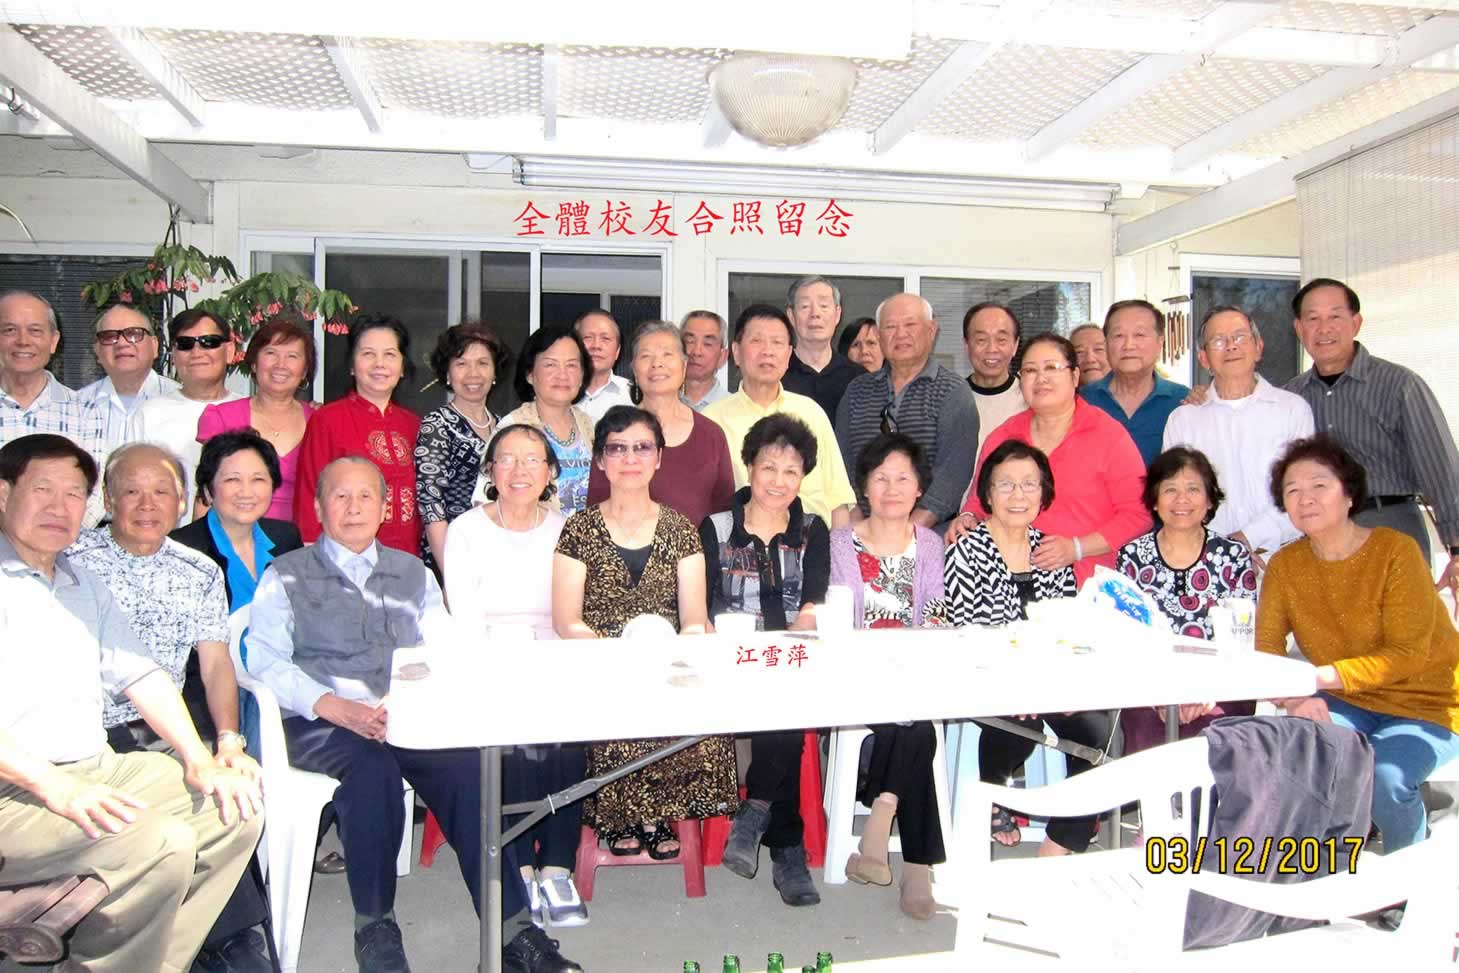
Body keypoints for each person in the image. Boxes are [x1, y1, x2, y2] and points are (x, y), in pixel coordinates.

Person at [249, 455, 582, 973]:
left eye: (366, 496)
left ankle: (515, 931)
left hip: (399, 714)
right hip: (318, 721)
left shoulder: (411, 572)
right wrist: (332, 705)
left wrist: (403, 699)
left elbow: (441, 646)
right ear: (317, 507)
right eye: (340, 496)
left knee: (472, 769)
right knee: (373, 770)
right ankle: (375, 927)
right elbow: (264, 661)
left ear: (385, 508)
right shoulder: (286, 574)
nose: (353, 507)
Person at [0, 433, 262, 973]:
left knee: (235, 807)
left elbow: (141, 673)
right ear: (4, 494)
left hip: (92, 766)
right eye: (43, 490)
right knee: (162, 842)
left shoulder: (79, 582)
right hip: (16, 791)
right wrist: (53, 785)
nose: (59, 507)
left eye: (73, 494)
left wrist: (201, 759)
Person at [68, 442, 274, 972]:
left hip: (165, 727)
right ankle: (210, 941)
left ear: (182, 501)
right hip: (89, 731)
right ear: (107, 500)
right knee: (176, 813)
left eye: (161, 491)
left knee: (230, 794)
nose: (147, 504)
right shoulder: (73, 562)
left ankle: (232, 938)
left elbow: (216, 664)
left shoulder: (198, 569)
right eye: (131, 491)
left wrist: (229, 740)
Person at [1258, 435, 1459, 853]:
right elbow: (1267, 651)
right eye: (1292, 490)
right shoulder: (1285, 565)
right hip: (1349, 702)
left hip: (1428, 703)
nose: (1305, 498)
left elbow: (1407, 655)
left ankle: (1410, 876)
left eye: (1319, 485)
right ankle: (1320, 871)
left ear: (1349, 494)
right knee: (1297, 759)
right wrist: (1295, 698)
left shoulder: (1396, 551)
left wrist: (1318, 678)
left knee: (1385, 778)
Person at [552, 406, 737, 859]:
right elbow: (566, 620)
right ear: (600, 460)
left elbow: (694, 619)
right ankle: (627, 815)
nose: (630, 458)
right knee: (614, 705)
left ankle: (652, 814)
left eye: (641, 447)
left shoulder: (681, 529)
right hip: (599, 661)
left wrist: (671, 660)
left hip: (666, 661)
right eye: (617, 448)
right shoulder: (578, 529)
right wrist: (616, 659)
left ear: (658, 458)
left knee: (696, 710)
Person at [445, 424, 588, 928]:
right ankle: (520, 866)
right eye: (507, 459)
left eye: (532, 460)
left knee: (571, 733)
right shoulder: (466, 530)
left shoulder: (568, 529)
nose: (519, 470)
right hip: (490, 665)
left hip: (554, 662)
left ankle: (557, 867)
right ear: (491, 471)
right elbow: (464, 620)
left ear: (551, 472)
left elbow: (575, 613)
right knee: (515, 733)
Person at [944, 439, 1113, 855]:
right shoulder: (965, 550)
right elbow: (969, 636)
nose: (1018, 495)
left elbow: (1063, 630)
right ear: (987, 494)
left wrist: (1055, 681)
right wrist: (1017, 682)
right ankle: (993, 790)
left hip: (1046, 678)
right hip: (986, 676)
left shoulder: (1050, 550)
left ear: (1043, 493)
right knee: (1022, 725)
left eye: (1029, 485)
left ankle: (1060, 839)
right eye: (1006, 484)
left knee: (1098, 730)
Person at [702, 414, 829, 908]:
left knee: (786, 700)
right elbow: (703, 609)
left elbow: (813, 605)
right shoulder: (716, 529)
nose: (778, 481)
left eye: (791, 471)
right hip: (731, 661)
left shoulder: (812, 530)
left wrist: (795, 646)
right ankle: (788, 851)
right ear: (750, 467)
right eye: (769, 467)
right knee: (786, 713)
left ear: (803, 477)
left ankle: (754, 809)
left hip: (793, 659)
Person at [827, 432, 948, 919]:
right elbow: (839, 618)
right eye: (881, 478)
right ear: (864, 487)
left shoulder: (930, 544)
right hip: (856, 674)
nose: (892, 489)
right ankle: (918, 870)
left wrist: (910, 662)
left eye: (903, 478)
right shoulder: (840, 543)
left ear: (919, 488)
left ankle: (879, 828)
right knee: (917, 729)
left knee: (914, 723)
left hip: (914, 673)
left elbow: (936, 615)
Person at [1284, 278, 1459, 593]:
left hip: (1390, 524)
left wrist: (1456, 548)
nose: (1324, 328)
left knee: (1401, 621)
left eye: (1335, 316)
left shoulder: (1399, 385)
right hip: (1319, 538)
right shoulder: (1291, 397)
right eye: (1313, 318)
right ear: (1299, 328)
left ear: (1356, 323)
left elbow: (1442, 472)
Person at [956, 333, 1151, 586]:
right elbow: (978, 502)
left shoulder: (1108, 436)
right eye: (1030, 370)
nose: (1041, 378)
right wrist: (967, 518)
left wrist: (1077, 548)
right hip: (1006, 585)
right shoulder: (1003, 437)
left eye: (1051, 367)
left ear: (1075, 376)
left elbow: (1138, 515)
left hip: (1087, 587)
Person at [1117, 447, 1258, 754]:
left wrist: (1206, 691)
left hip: (1222, 686)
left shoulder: (1232, 555)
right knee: (1147, 735)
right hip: (1149, 689)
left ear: (1209, 500)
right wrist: (1162, 697)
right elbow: (1127, 640)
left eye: (1193, 489)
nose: (1181, 499)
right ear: (1155, 500)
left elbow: (1242, 641)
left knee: (1209, 735)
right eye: (1170, 490)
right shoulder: (1132, 557)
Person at [172, 430, 304, 750]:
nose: (247, 491)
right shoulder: (182, 549)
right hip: (214, 692)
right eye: (232, 480)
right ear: (208, 489)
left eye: (258, 479)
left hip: (283, 679)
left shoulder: (285, 538)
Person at [1163, 306, 1314, 568]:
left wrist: (1246, 540)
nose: (1231, 346)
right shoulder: (1183, 419)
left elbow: (1305, 492)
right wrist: (1222, 550)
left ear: (1258, 347)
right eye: (1218, 340)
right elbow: (1175, 498)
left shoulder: (1292, 410)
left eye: (1240, 336)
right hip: (1206, 562)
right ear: (1203, 358)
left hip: (1281, 558)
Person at [835, 293, 979, 529]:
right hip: (862, 531)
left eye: (910, 324)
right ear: (879, 335)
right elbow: (840, 463)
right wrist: (860, 524)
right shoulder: (856, 391)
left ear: (931, 330)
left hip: (929, 533)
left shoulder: (953, 391)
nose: (901, 334)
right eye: (891, 327)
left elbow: (953, 471)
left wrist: (908, 532)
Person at [704, 305, 855, 528]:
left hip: (811, 543)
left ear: (789, 354)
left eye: (777, 342)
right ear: (736, 351)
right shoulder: (711, 421)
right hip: (739, 545)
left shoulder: (811, 413)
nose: (768, 351)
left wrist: (840, 550)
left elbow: (838, 500)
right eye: (757, 341)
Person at [294, 313, 421, 554]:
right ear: (352, 366)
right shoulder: (328, 419)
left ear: (402, 367)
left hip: (407, 558)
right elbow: (309, 493)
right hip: (343, 558)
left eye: (390, 354)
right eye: (368, 354)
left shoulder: (414, 425)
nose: (379, 364)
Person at [586, 320, 735, 525]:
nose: (657, 364)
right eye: (646, 356)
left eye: (667, 354)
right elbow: (595, 509)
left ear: (684, 366)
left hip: (697, 546)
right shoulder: (614, 432)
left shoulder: (711, 434)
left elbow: (724, 514)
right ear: (634, 370)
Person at [0, 289, 107, 522]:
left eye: (35, 331)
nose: (23, 341)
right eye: (9, 330)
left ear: (53, 341)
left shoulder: (84, 412)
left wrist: (50, 537)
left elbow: (94, 497)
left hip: (59, 539)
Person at [198, 315, 317, 522]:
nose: (280, 364)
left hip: (301, 537)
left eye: (292, 356)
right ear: (254, 363)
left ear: (305, 371)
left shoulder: (319, 421)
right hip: (234, 533)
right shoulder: (222, 417)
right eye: (271, 353)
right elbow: (206, 493)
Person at [414, 322, 510, 575]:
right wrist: (451, 575)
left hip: (501, 556)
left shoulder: (505, 426)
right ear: (447, 373)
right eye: (461, 364)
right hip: (453, 556)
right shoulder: (437, 425)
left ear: (494, 371)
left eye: (482, 363)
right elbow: (431, 505)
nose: (473, 374)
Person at [129, 308, 242, 521]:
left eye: (209, 342)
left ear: (229, 351)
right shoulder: (149, 413)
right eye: (185, 344)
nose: (197, 352)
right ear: (173, 354)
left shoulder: (249, 411)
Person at [500, 326, 596, 515]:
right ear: (529, 374)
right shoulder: (511, 428)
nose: (562, 375)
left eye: (571, 365)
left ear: (582, 375)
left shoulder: (595, 427)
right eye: (550, 365)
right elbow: (487, 501)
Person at [1079, 300, 1189, 466]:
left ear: (1160, 343)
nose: (1129, 345)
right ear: (1107, 344)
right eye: (1119, 336)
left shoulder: (1183, 401)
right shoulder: (1081, 401)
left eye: (1139, 335)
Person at [78, 303, 182, 453]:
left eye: (134, 334)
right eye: (109, 336)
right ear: (97, 351)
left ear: (154, 346)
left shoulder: (181, 402)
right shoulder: (77, 406)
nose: (122, 343)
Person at [782, 275, 864, 421]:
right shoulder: (777, 375)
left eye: (824, 306)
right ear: (791, 316)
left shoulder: (859, 379)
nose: (815, 314)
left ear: (837, 314)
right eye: (805, 307)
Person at [963, 302, 1026, 458]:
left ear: (1015, 345)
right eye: (981, 340)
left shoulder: (1030, 397)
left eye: (1001, 340)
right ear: (966, 345)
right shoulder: (952, 399)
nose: (992, 349)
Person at [574, 309, 631, 422]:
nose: (596, 346)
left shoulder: (634, 396)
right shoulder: (557, 391)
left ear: (617, 351)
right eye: (588, 337)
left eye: (605, 338)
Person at [680, 309, 730, 411]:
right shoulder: (661, 405)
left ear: (722, 356)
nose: (697, 352)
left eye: (708, 344)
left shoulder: (733, 410)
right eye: (690, 341)